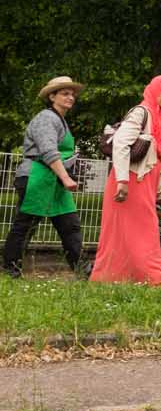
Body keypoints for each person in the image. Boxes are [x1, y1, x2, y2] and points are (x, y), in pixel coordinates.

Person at [91, 75, 161, 286]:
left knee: (130, 235)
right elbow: (120, 143)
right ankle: (156, 282)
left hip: (144, 183)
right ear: (155, 90)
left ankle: (113, 280)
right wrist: (122, 181)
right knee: (143, 233)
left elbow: (155, 162)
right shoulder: (142, 112)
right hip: (129, 182)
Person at [3, 77, 86, 278]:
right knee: (25, 226)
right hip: (36, 178)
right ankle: (10, 271)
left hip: (54, 180)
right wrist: (66, 178)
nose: (71, 97)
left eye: (72, 93)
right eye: (64, 93)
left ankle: (84, 272)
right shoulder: (46, 118)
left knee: (70, 226)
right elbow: (48, 151)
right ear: (52, 96)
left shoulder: (61, 120)